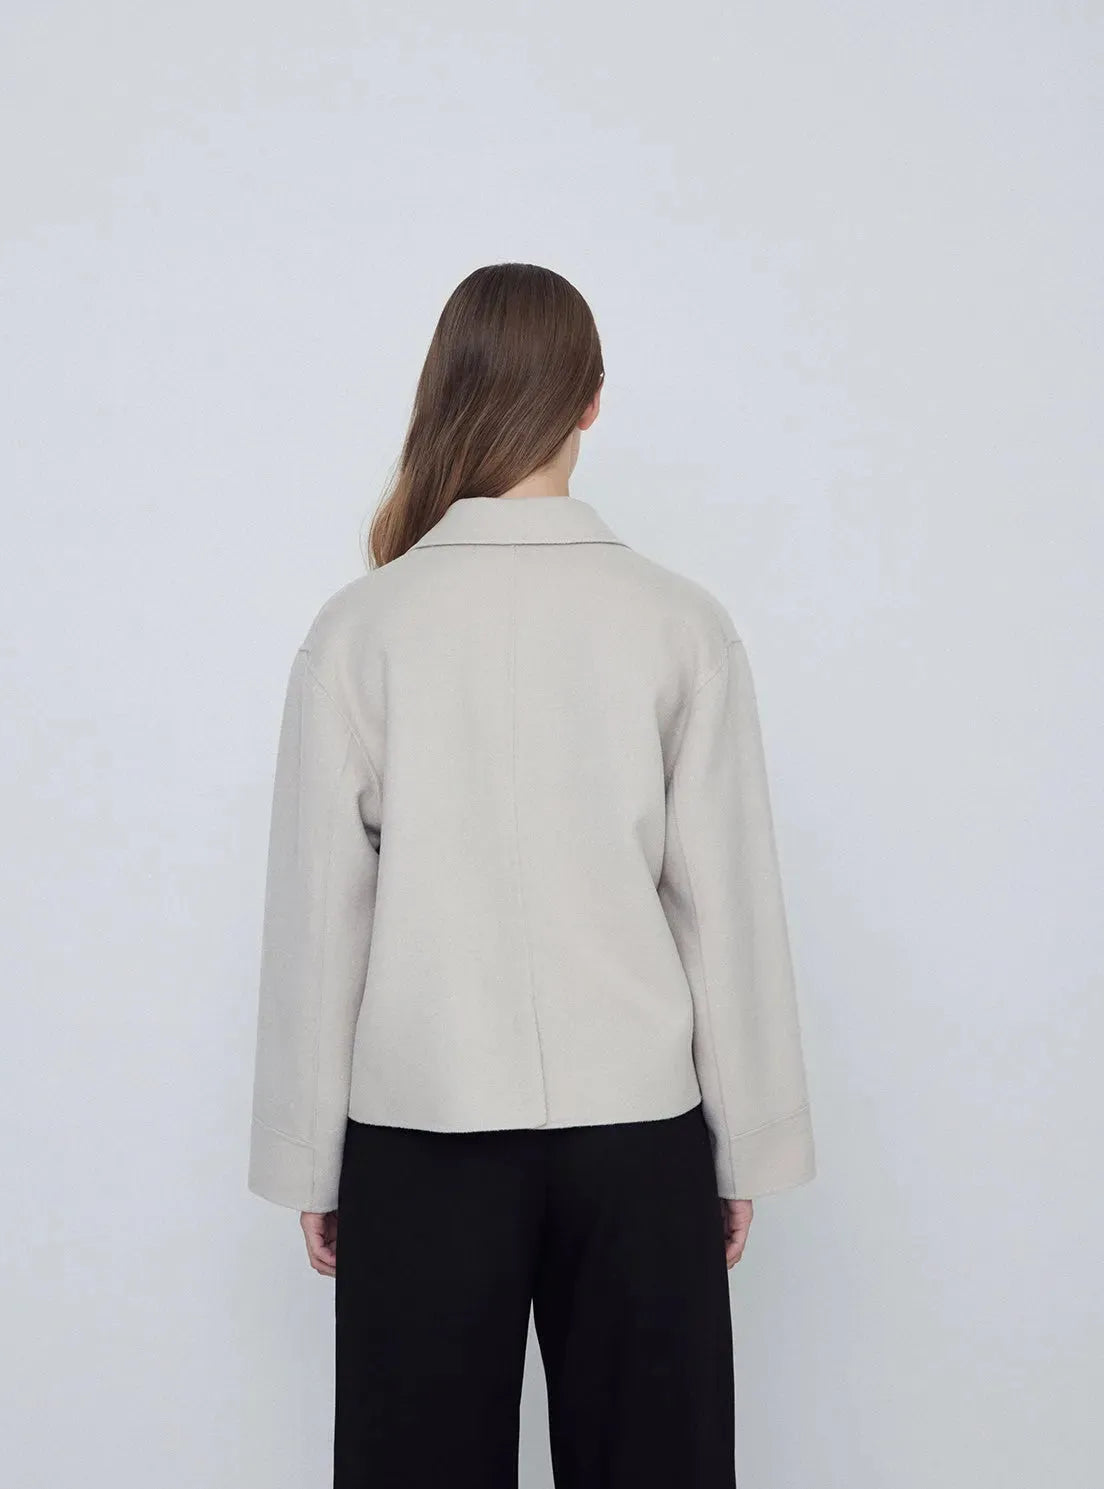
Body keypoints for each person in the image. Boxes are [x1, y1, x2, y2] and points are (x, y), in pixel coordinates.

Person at [247, 261, 816, 1488]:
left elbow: (321, 922)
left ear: (447, 390)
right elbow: (724, 909)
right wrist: (745, 1148)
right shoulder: (678, 621)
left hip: (421, 1135)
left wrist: (310, 1159)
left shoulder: (362, 629)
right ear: (592, 400)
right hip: (638, 1138)